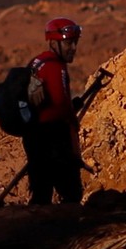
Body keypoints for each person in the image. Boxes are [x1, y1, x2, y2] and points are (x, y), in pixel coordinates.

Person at [21, 17, 84, 206]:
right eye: (68, 43)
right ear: (53, 42)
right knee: (72, 193)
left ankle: (38, 231)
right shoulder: (56, 67)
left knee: (41, 191)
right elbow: (60, 104)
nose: (73, 47)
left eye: (75, 42)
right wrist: (72, 123)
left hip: (33, 134)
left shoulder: (37, 61)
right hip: (52, 136)